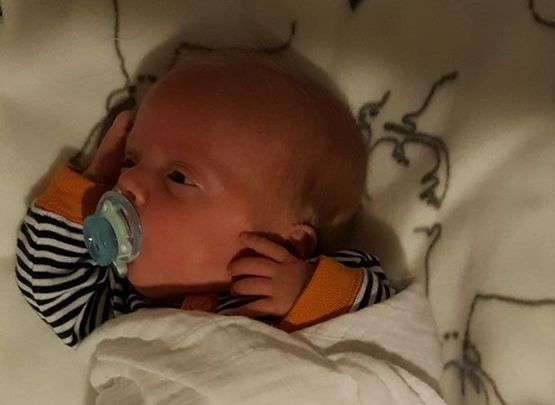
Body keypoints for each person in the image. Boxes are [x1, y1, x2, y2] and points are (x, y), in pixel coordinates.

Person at [15, 53, 394, 347]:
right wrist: (91, 183)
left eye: (179, 177)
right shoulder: (121, 309)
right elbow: (45, 280)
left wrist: (306, 289)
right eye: (130, 161)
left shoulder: (295, 309)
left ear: (289, 243)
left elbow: (383, 318)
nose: (127, 180)